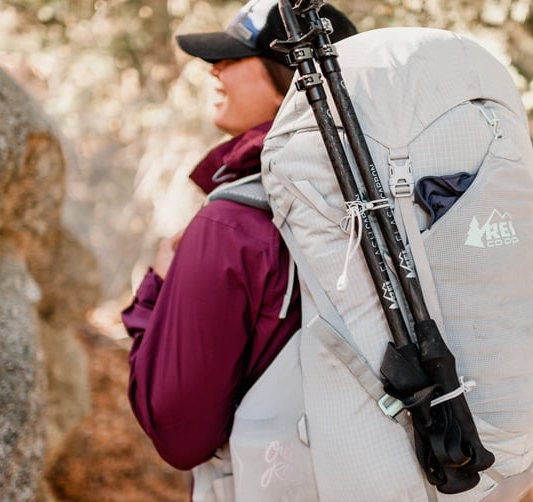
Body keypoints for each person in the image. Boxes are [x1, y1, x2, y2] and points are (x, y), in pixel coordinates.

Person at [122, 0, 357, 477]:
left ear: (286, 83)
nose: (214, 71)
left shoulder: (230, 224)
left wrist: (155, 294)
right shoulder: (359, 196)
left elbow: (177, 431)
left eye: (232, 58)